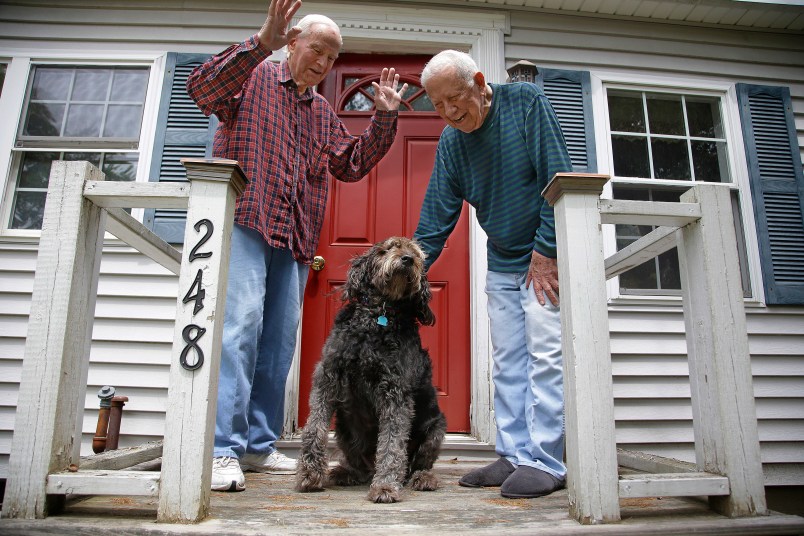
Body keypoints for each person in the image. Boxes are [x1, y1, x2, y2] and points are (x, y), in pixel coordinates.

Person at [186, 0, 408, 492]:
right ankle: (223, 447)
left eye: (331, 57)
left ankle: (258, 447)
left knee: (277, 345)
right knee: (239, 330)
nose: (324, 63)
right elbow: (201, 88)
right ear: (292, 43)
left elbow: (350, 164)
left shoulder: (323, 111)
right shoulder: (253, 78)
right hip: (246, 222)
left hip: (294, 239)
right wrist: (259, 42)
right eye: (317, 50)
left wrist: (384, 118)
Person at [413, 50, 572, 499]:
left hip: (544, 257)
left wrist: (547, 251)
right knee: (508, 363)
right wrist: (405, 274)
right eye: (437, 105)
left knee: (545, 357)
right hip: (503, 260)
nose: (447, 112)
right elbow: (434, 221)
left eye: (454, 98)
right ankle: (514, 452)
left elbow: (558, 177)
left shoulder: (524, 103)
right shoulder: (451, 142)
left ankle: (545, 460)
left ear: (480, 82)